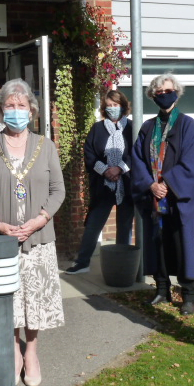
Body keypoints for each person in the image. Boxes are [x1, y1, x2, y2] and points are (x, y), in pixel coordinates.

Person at [0, 78, 65, 386]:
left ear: (32, 111)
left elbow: (58, 189)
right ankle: (11, 349)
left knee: (33, 300)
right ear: (0, 109)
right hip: (0, 241)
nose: (15, 111)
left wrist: (41, 219)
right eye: (9, 106)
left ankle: (32, 351)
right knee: (5, 299)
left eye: (21, 106)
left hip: (37, 239)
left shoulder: (45, 145)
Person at [131, 73, 194, 316]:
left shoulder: (186, 124)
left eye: (168, 90)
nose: (164, 95)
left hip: (177, 198)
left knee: (181, 243)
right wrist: (151, 185)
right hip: (154, 197)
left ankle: (189, 295)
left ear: (177, 92)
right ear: (153, 96)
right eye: (159, 92)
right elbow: (137, 159)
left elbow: (191, 162)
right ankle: (162, 288)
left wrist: (167, 184)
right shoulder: (147, 127)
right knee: (158, 243)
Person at [65, 90, 134, 275]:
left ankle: (122, 264)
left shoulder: (132, 128)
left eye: (116, 105)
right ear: (104, 108)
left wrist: (119, 168)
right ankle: (82, 262)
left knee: (125, 226)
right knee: (93, 224)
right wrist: (106, 170)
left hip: (126, 184)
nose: (112, 109)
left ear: (123, 106)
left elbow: (135, 153)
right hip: (102, 185)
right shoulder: (97, 128)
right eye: (109, 105)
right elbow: (89, 154)